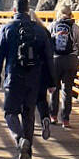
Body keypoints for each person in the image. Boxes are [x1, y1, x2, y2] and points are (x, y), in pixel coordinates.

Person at [0, 0, 55, 159]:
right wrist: (51, 82)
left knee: (10, 113)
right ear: (28, 11)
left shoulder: (7, 28)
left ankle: (20, 141)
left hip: (13, 78)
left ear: (14, 10)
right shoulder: (40, 31)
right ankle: (28, 152)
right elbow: (49, 57)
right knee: (29, 114)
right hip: (33, 80)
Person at [49, 4, 79, 129]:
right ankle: (65, 120)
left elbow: (48, 43)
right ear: (70, 15)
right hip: (70, 60)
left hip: (55, 60)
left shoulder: (53, 26)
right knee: (67, 90)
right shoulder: (74, 27)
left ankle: (53, 116)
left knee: (54, 88)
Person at [30, 9, 53, 140]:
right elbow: (50, 56)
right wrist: (52, 81)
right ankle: (45, 118)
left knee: (28, 101)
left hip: (27, 72)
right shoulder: (44, 32)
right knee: (41, 99)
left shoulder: (22, 31)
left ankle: (29, 128)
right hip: (42, 71)